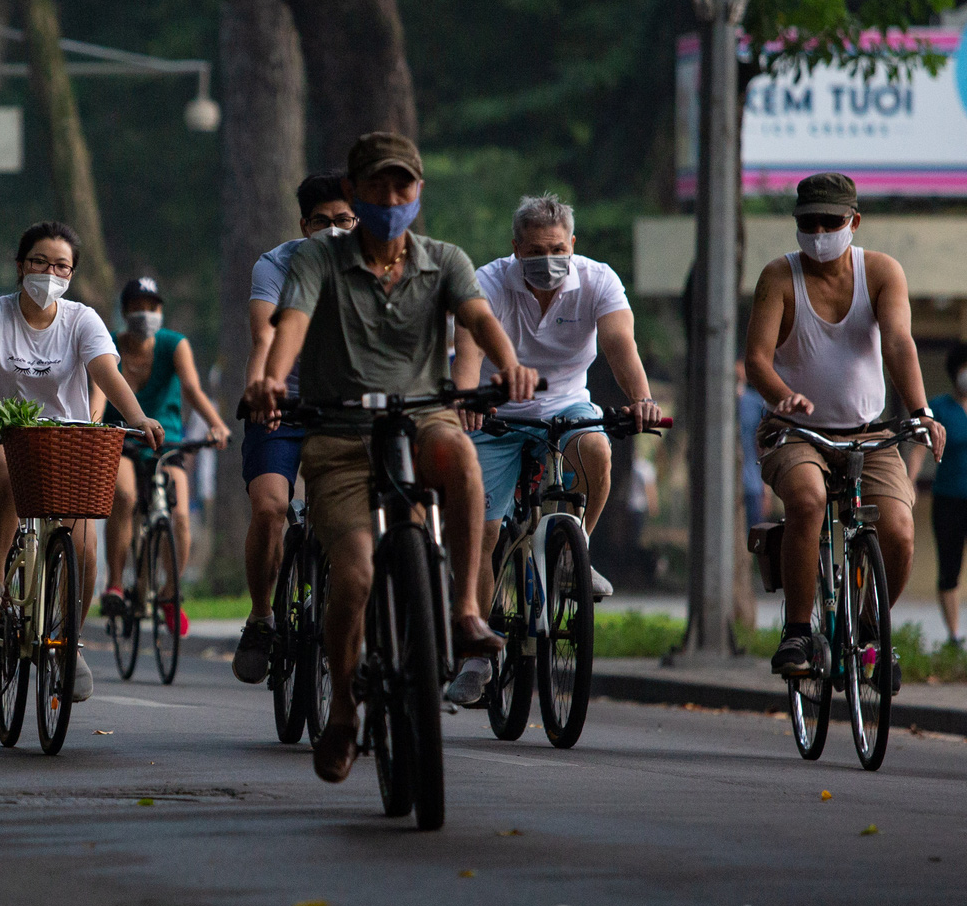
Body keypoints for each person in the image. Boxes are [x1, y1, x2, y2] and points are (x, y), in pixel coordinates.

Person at [246, 132, 537, 784]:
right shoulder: (317, 263)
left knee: (461, 457)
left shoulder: (445, 261)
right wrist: (270, 377)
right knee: (352, 577)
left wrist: (512, 364)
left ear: (419, 192)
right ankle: (345, 709)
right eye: (376, 186)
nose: (390, 198)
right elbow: (288, 327)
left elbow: (480, 320)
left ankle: (464, 613)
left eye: (402, 186)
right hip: (340, 435)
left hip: (420, 418)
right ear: (353, 192)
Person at [0, 221, 165, 703]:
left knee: (85, 545)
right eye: (40, 262)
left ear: (72, 274)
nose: (50, 273)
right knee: (9, 469)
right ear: (20, 266)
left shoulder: (82, 320)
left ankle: (71, 642)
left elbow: (106, 373)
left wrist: (137, 416)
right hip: (3, 433)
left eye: (61, 266)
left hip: (68, 441)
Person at [743, 172, 943, 679]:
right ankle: (796, 633)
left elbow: (898, 341)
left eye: (829, 222)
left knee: (898, 530)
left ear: (853, 221)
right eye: (807, 223)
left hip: (867, 431)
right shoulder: (778, 277)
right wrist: (780, 395)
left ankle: (873, 630)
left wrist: (920, 412)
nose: (818, 232)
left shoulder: (880, 272)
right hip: (795, 433)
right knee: (807, 501)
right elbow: (757, 360)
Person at [452, 194, 664, 609]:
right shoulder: (488, 282)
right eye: (535, 252)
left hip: (566, 407)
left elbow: (620, 344)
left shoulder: (599, 280)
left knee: (596, 447)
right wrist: (466, 399)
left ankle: (573, 551)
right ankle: (477, 653)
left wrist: (642, 399)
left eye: (557, 250)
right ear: (515, 249)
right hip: (497, 414)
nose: (547, 260)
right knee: (483, 533)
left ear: (572, 244)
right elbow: (469, 350)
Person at [232, 173, 356, 680]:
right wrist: (263, 388)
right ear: (304, 225)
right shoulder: (275, 265)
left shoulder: (380, 262)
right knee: (270, 509)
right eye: (322, 222)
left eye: (344, 220)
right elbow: (264, 334)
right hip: (281, 398)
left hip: (347, 405)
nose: (334, 230)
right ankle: (262, 615)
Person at [99, 276, 230, 626]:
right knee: (124, 496)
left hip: (167, 441)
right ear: (125, 311)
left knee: (181, 515)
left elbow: (191, 388)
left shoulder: (175, 344)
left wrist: (216, 424)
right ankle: (114, 584)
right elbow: (97, 393)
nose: (145, 314)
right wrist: (93, 426)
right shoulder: (108, 344)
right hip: (122, 439)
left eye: (152, 307)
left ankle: (171, 594)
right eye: (137, 307)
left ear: (161, 311)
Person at [907, 342, 967, 646]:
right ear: (955, 370)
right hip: (948, 499)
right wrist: (910, 481)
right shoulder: (939, 407)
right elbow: (919, 446)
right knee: (950, 568)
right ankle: (954, 634)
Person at [737, 361, 771, 528]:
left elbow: (763, 447)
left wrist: (766, 489)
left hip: (752, 484)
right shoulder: (711, 406)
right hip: (723, 485)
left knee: (753, 535)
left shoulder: (756, 404)